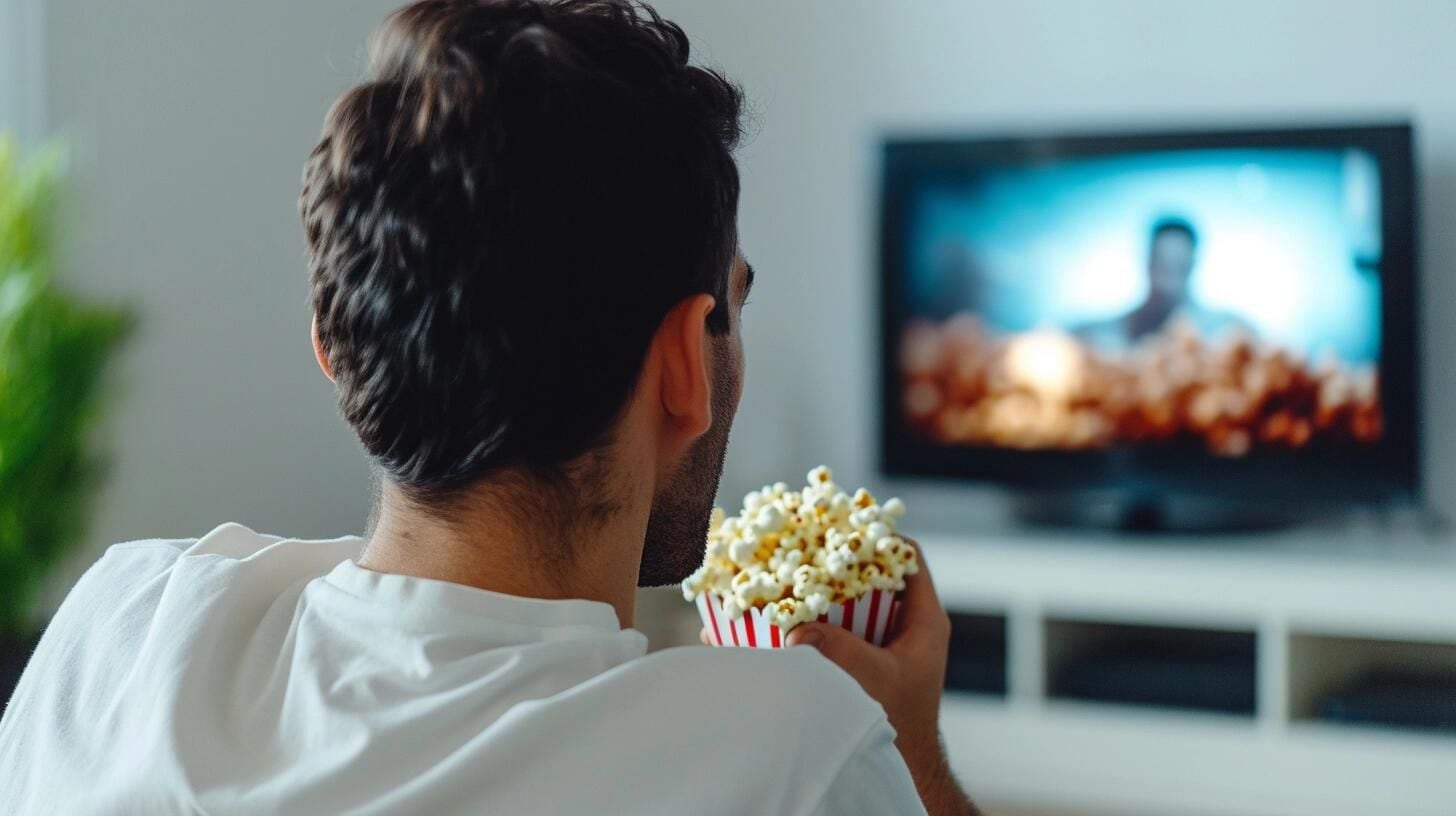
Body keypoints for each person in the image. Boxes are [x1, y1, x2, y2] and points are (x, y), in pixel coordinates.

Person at [0, 2, 978, 814]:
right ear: (686, 358)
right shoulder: (791, 748)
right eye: (735, 307)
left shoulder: (123, 626)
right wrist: (909, 746)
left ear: (334, 348)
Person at [1077, 216, 1248, 349]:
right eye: (1162, 265)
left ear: (1192, 266)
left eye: (1177, 266)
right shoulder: (1102, 335)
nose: (1166, 283)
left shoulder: (1230, 331)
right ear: (1148, 263)